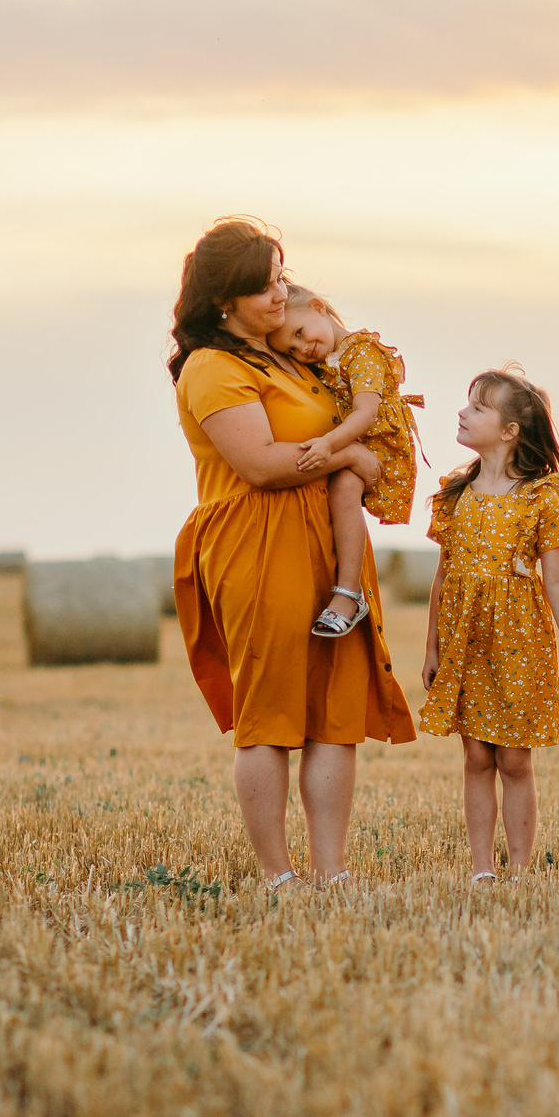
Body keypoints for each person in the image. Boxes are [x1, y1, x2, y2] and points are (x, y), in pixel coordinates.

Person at [167, 218, 417, 889]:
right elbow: (262, 465)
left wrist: (363, 450)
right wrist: (349, 452)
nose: (283, 294)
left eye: (281, 277)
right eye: (265, 285)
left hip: (326, 540)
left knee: (335, 718)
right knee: (271, 715)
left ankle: (331, 872)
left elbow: (340, 429)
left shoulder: (288, 357)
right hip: (257, 539)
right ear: (226, 300)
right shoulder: (212, 367)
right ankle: (280, 876)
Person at [417, 368, 559, 883]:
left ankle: (520, 868)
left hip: (519, 639)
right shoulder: (455, 492)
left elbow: (558, 580)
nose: (462, 412)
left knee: (514, 760)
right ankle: (481, 868)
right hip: (464, 639)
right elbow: (442, 576)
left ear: (509, 431)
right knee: (476, 755)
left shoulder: (539, 495)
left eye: (477, 407)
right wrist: (431, 649)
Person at [266, 284, 425, 638]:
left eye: (300, 332)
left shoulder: (361, 352)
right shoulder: (327, 360)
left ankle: (348, 593)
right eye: (292, 348)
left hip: (376, 447)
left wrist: (328, 444)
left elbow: (366, 414)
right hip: (351, 443)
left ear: (319, 307)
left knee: (343, 486)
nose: (302, 348)